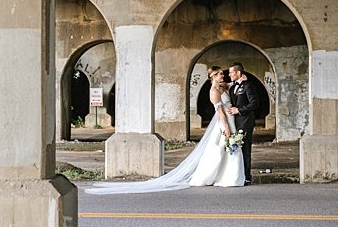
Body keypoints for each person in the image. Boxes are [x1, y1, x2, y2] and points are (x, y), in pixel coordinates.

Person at [85, 66, 245, 194]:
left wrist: (241, 80)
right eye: (219, 75)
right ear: (212, 77)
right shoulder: (214, 92)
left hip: (231, 119)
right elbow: (220, 112)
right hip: (224, 122)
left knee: (225, 151)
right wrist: (225, 127)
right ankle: (218, 176)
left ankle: (228, 175)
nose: (222, 76)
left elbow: (233, 85)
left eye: (222, 74)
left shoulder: (223, 87)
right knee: (220, 150)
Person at [226, 62, 258, 185]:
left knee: (245, 149)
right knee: (236, 149)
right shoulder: (233, 87)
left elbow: (254, 104)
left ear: (238, 73)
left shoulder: (248, 85)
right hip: (234, 122)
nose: (229, 74)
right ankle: (237, 174)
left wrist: (238, 110)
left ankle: (247, 176)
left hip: (245, 121)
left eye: (231, 72)